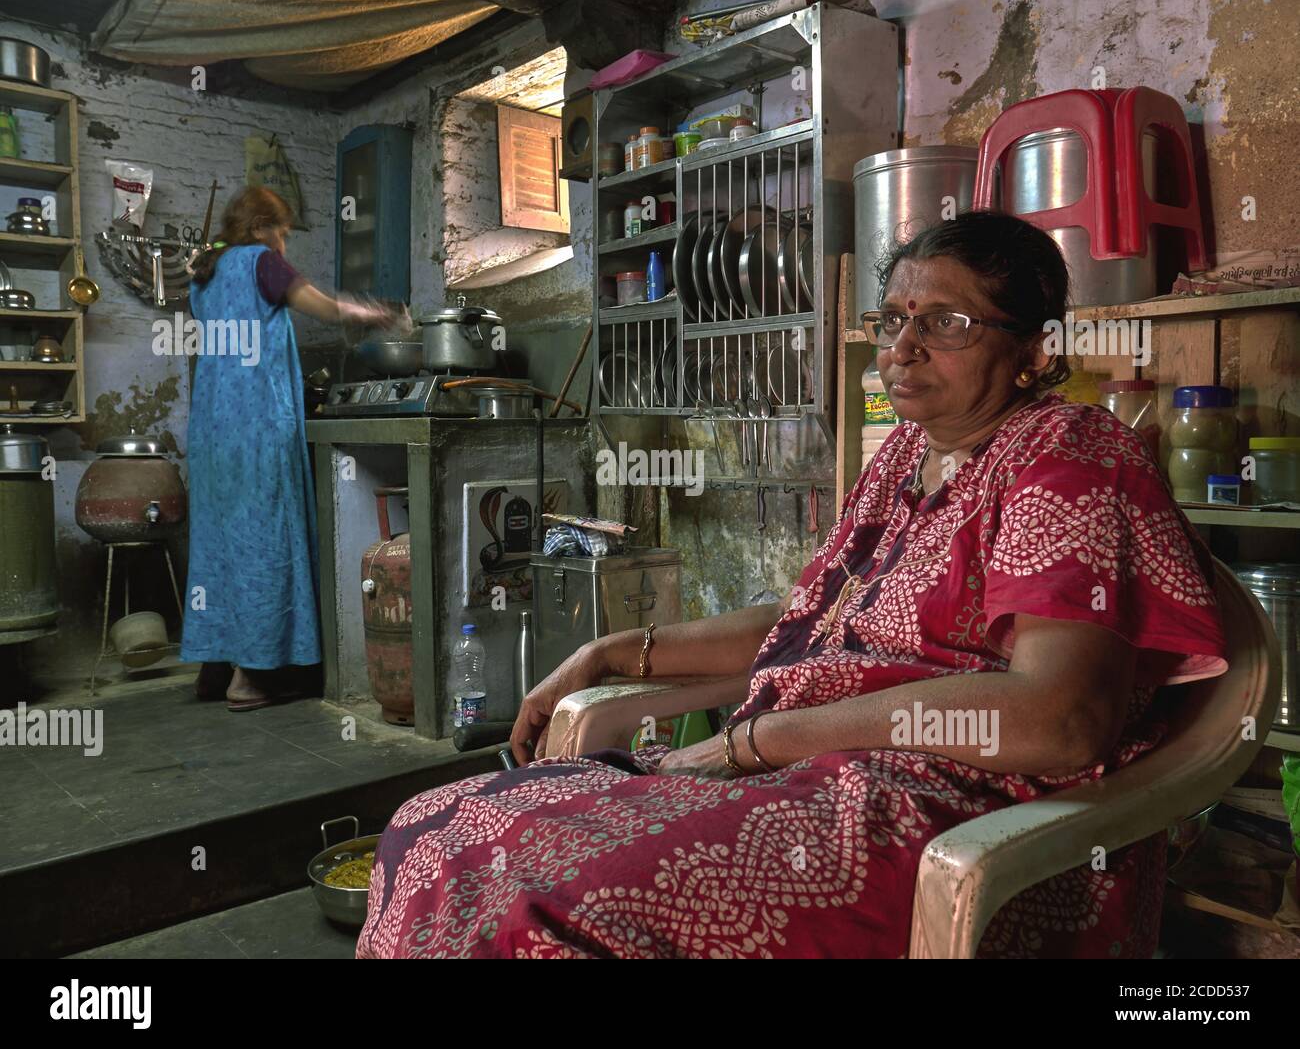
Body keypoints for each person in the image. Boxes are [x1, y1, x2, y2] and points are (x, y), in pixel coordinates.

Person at [357, 212, 1227, 959]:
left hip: (943, 811)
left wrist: (758, 743)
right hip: (805, 767)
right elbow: (810, 621)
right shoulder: (904, 459)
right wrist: (607, 652)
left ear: (1036, 347)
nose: (905, 347)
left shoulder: (1067, 454)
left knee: (543, 903)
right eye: (893, 320)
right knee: (435, 829)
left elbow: (1059, 717)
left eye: (949, 322)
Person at [183, 187, 397, 710]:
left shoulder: (204, 275)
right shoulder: (262, 263)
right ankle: (250, 677)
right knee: (264, 543)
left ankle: (214, 667)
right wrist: (374, 313)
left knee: (219, 544)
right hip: (257, 422)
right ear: (260, 227)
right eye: (281, 231)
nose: (283, 242)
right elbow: (322, 309)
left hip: (212, 430)